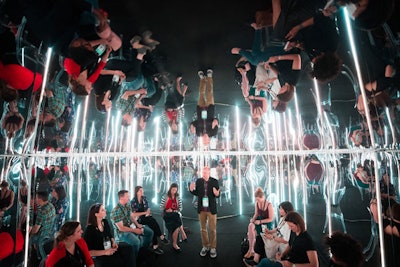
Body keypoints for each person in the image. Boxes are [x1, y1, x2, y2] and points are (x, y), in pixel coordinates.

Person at [244, 201, 294, 266]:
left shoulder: (289, 223)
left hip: (280, 242)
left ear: (286, 210)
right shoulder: (283, 218)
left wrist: (272, 237)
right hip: (277, 237)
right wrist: (269, 231)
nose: (279, 210)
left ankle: (255, 260)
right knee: (260, 236)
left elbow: (285, 240)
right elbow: (277, 229)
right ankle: (255, 259)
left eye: (281, 209)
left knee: (261, 238)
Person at [110, 190, 154, 258]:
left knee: (150, 232)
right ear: (121, 198)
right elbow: (121, 228)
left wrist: (137, 225)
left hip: (131, 226)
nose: (129, 198)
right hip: (122, 233)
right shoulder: (116, 211)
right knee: (136, 242)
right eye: (127, 196)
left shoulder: (127, 205)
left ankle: (143, 251)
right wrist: (135, 230)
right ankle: (134, 259)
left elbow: (131, 216)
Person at [189, 165, 220, 258]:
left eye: (205, 172)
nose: (204, 174)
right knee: (203, 229)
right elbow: (197, 193)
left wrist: (217, 194)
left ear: (209, 172)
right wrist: (191, 190)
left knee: (212, 229)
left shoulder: (214, 181)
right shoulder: (199, 181)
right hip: (201, 209)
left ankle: (213, 247)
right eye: (203, 172)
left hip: (211, 209)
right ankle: (205, 246)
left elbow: (218, 194)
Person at [131, 186, 168, 255]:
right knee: (152, 221)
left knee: (152, 223)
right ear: (137, 192)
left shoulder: (144, 198)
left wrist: (148, 212)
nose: (142, 192)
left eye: (142, 190)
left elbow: (148, 207)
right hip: (138, 219)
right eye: (140, 191)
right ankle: (161, 237)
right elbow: (134, 214)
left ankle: (155, 245)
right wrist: (145, 213)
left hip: (145, 217)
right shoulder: (133, 201)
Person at [243, 187, 275, 259]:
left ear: (263, 197)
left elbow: (271, 219)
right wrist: (253, 219)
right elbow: (256, 213)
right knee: (250, 225)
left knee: (254, 231)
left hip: (266, 222)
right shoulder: (257, 203)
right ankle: (251, 249)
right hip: (259, 220)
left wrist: (260, 221)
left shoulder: (269, 205)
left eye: (258, 199)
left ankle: (253, 250)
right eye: (256, 199)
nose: (257, 201)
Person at [190, 69, 219, 146]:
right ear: (209, 140)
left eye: (204, 141)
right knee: (209, 92)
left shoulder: (198, 133)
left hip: (200, 109)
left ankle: (202, 79)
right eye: (207, 141)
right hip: (210, 109)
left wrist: (192, 126)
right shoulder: (213, 132)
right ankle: (209, 77)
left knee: (201, 94)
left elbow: (194, 122)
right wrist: (216, 121)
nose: (205, 139)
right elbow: (216, 121)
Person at [160, 183, 187, 253]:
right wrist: (166, 210)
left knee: (176, 223)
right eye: (173, 190)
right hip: (167, 214)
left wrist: (176, 210)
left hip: (175, 214)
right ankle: (182, 232)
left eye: (175, 190)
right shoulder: (165, 196)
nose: (174, 191)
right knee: (177, 217)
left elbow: (181, 207)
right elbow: (161, 208)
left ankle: (175, 244)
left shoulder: (178, 197)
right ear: (170, 189)